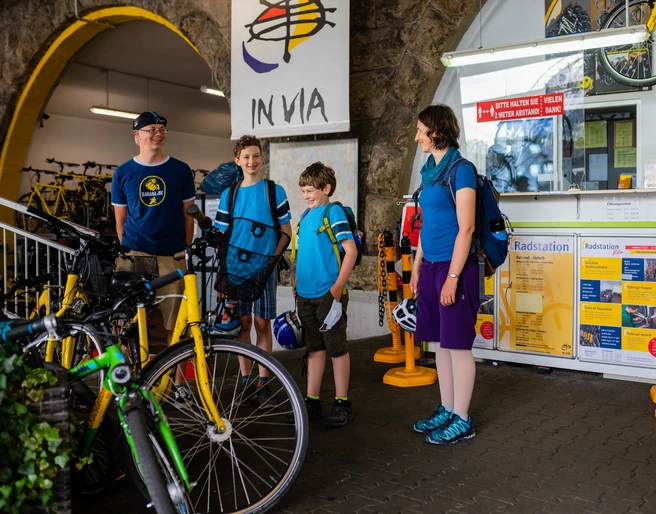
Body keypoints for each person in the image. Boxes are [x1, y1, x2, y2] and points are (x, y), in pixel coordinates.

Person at [111, 111, 195, 401]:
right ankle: (127, 380)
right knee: (127, 323)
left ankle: (178, 383)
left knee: (178, 325)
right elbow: (120, 220)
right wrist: (128, 250)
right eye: (151, 129)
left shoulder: (181, 170)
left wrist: (184, 247)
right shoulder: (123, 173)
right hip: (135, 255)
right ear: (137, 135)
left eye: (162, 129)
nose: (158, 134)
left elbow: (188, 216)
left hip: (171, 256)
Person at [410, 104, 480, 445]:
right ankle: (448, 407)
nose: (416, 137)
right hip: (433, 265)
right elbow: (428, 223)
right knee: (440, 343)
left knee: (458, 345)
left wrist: (453, 278)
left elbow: (465, 229)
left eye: (421, 131)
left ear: (437, 131)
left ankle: (463, 419)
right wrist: (418, 264)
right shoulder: (429, 169)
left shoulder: (461, 170)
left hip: (456, 269)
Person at [213, 135, 292, 407]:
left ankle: (264, 381)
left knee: (262, 324)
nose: (252, 161)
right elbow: (221, 233)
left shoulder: (274, 191)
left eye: (256, 156)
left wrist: (270, 263)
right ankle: (246, 381)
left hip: (264, 271)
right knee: (242, 325)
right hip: (235, 270)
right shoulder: (229, 194)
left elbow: (286, 232)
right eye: (246, 156)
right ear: (237, 160)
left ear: (262, 158)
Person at [294, 162, 358, 428]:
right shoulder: (305, 217)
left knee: (336, 348)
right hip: (306, 295)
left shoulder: (333, 213)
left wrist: (336, 289)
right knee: (314, 349)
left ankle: (343, 403)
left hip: (328, 293)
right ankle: (312, 402)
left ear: (326, 188)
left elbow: (351, 251)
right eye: (304, 191)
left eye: (311, 190)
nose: (307, 195)